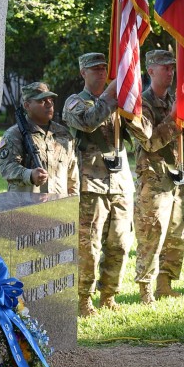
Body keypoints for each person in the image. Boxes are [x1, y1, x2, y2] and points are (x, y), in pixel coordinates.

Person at [62, 53, 136, 317]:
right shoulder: (75, 102)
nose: (101, 73)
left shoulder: (118, 104)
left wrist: (131, 108)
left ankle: (109, 295)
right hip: (91, 184)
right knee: (89, 246)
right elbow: (88, 122)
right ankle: (84, 299)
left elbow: (140, 135)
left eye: (105, 68)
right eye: (94, 69)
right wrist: (111, 97)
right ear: (83, 73)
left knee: (120, 243)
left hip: (120, 183)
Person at [133, 50, 184, 306]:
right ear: (151, 71)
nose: (171, 72)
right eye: (166, 68)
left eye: (173, 68)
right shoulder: (141, 104)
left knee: (176, 234)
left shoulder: (176, 98)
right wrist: (173, 118)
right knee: (152, 235)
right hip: (154, 180)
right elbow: (149, 142)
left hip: (177, 177)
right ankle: (145, 290)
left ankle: (165, 284)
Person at [0, 82, 79, 196]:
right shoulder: (14, 134)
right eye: (42, 101)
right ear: (27, 105)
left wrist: (73, 199)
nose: (49, 104)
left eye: (50, 99)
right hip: (27, 206)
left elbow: (72, 172)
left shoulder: (63, 133)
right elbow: (7, 168)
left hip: (59, 207)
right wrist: (29, 175)